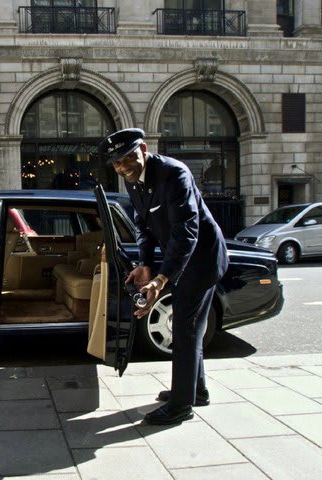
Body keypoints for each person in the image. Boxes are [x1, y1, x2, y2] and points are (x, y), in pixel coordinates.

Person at [100, 128, 229, 425]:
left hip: (201, 259)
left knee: (184, 329)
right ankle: (196, 391)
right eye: (117, 163)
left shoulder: (174, 174)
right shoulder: (133, 180)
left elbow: (187, 232)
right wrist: (145, 263)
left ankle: (181, 406)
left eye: (129, 157)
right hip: (180, 259)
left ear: (143, 149)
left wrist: (161, 279)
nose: (124, 167)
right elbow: (142, 224)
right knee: (190, 326)